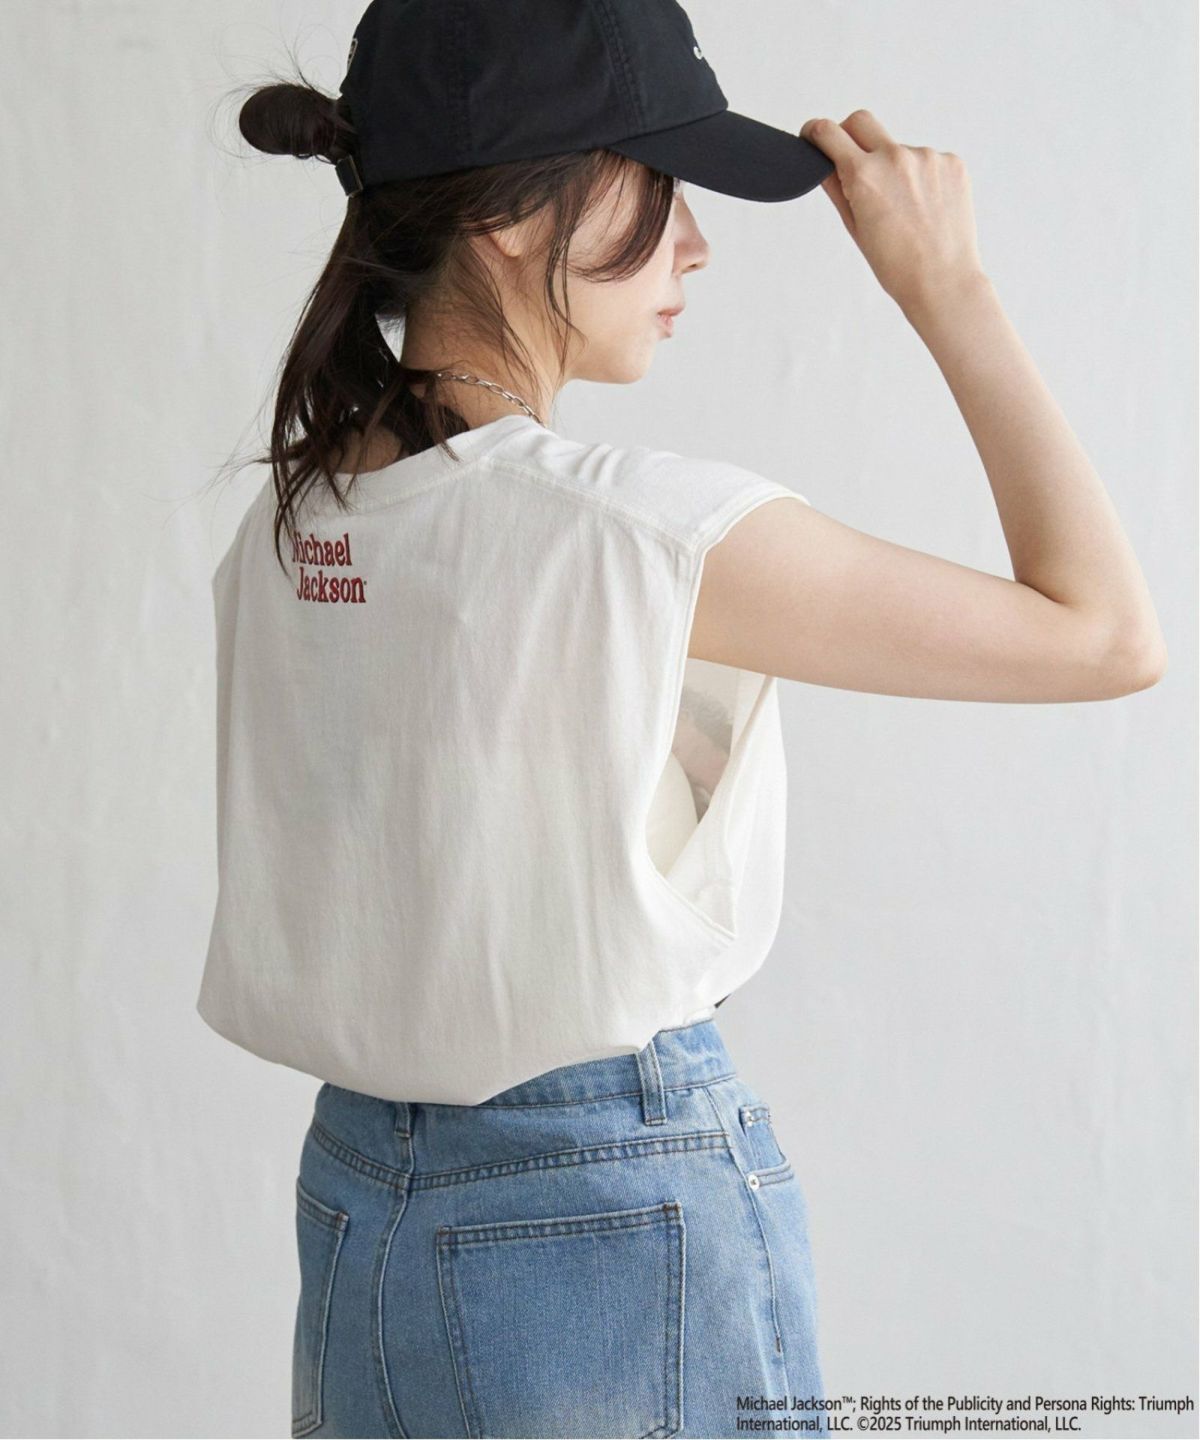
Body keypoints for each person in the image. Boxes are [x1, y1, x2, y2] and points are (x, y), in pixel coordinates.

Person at [196, 2, 1168, 1436]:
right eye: (658, 186)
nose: (698, 245)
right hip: (612, 1202)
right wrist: (949, 286)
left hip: (356, 1205)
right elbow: (1107, 636)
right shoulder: (641, 536)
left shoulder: (296, 524)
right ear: (512, 216)